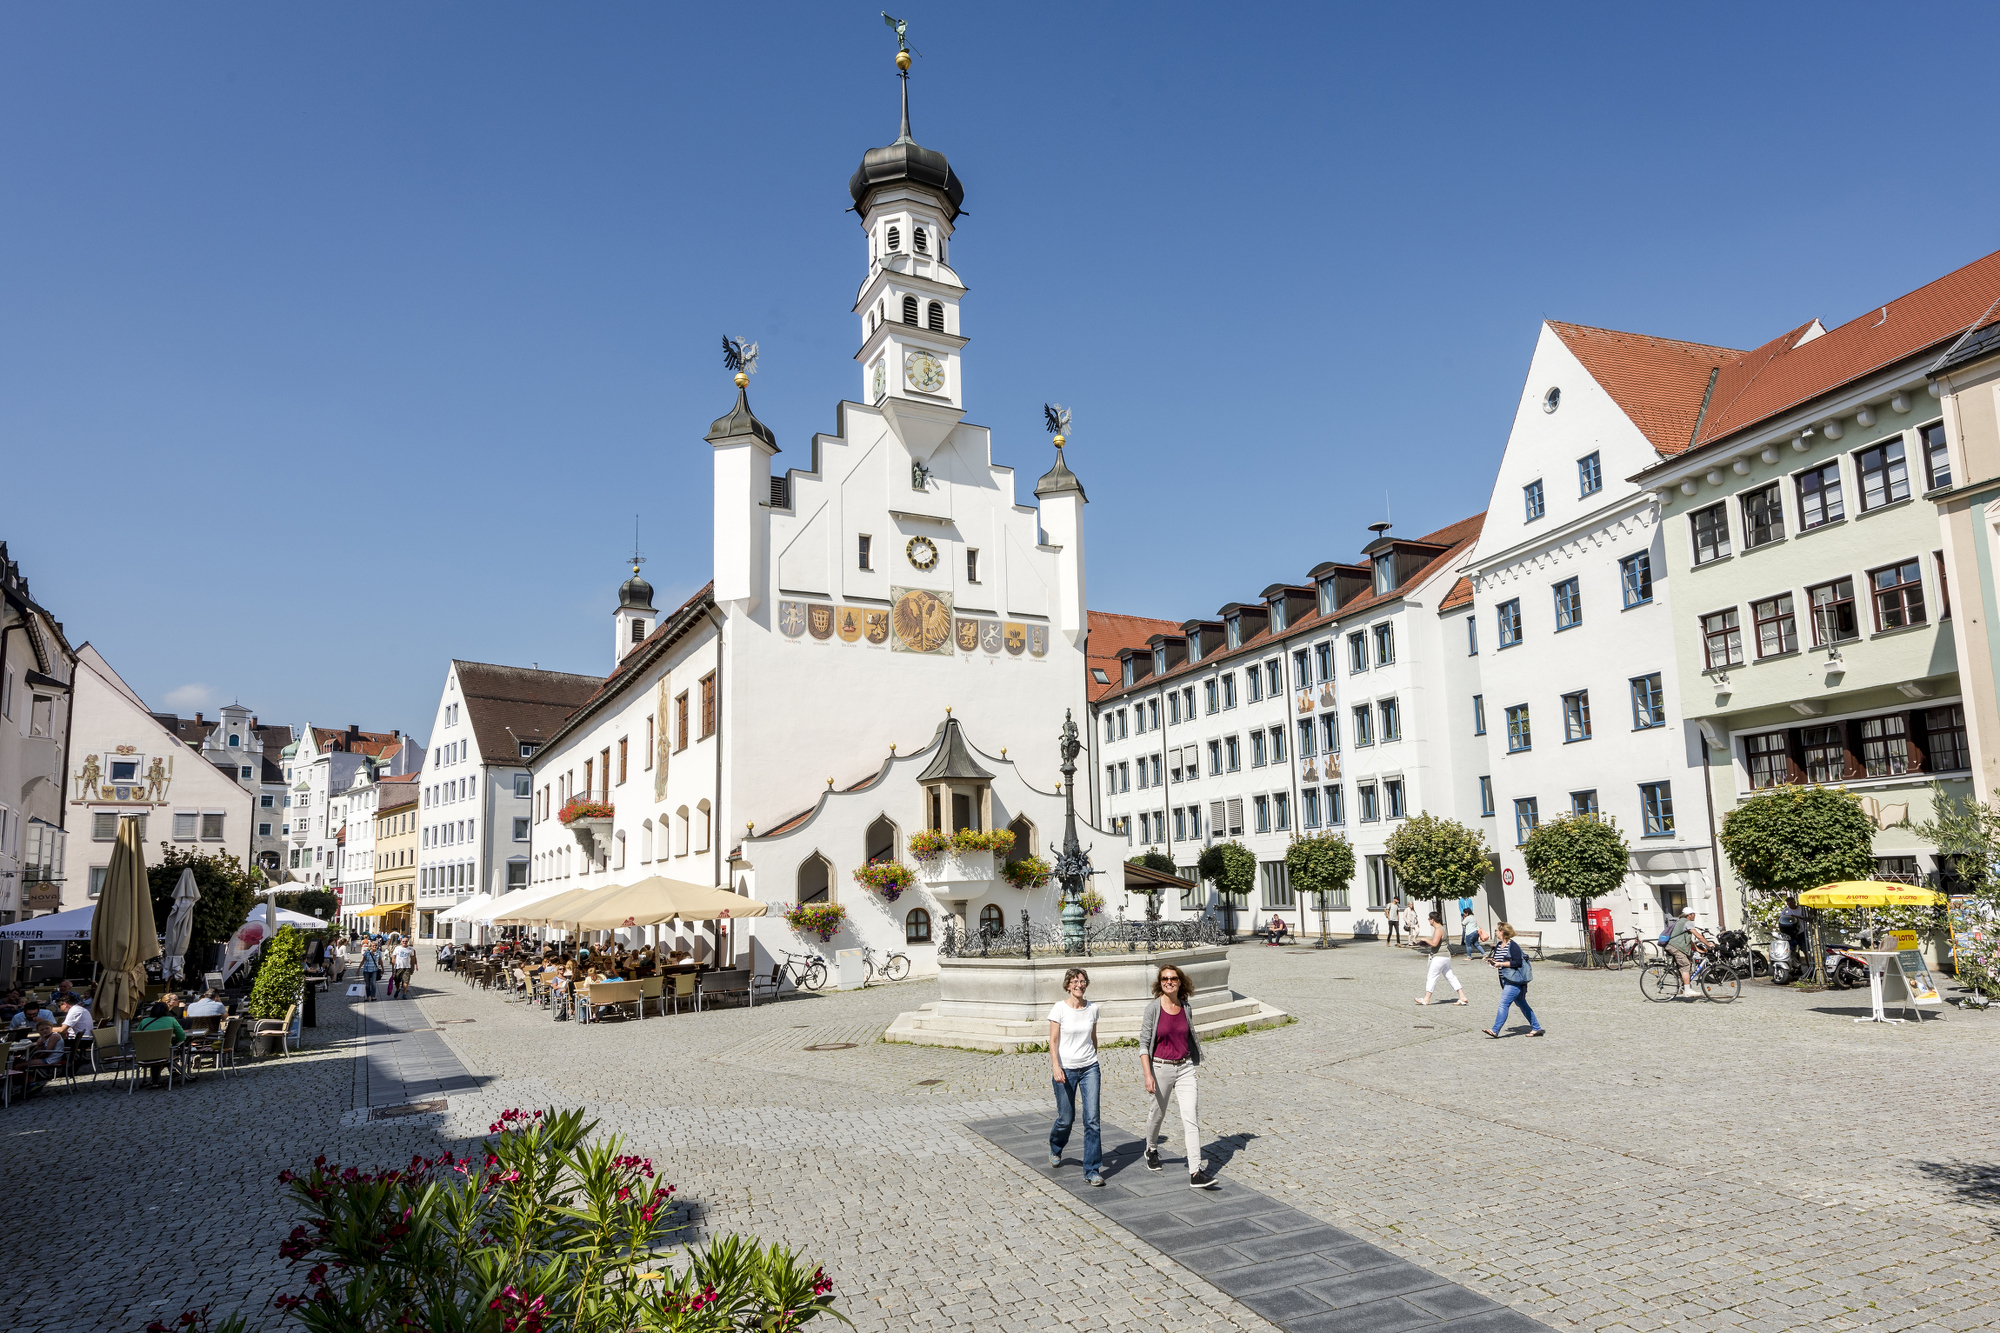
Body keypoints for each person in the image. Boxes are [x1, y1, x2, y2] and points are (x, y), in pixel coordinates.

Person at [1139, 964, 1218, 1189]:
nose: (1169, 982)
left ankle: (1196, 1172)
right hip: (1160, 1067)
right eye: (1164, 979)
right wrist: (1148, 1074)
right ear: (1160, 982)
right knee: (1158, 1113)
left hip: (1184, 1068)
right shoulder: (1153, 1009)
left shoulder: (1186, 1007)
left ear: (1180, 981)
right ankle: (1151, 1148)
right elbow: (1144, 1044)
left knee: (1190, 1118)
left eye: (1173, 978)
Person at [1047, 967, 1104, 1186]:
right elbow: (1053, 1041)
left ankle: (1092, 1169)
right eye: (1075, 981)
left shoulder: (1093, 1009)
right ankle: (1056, 1146)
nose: (1079, 985)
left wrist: (1092, 1060)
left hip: (1090, 1067)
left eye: (1082, 981)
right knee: (1066, 1118)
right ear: (1068, 985)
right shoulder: (1059, 1009)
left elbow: (1093, 1037)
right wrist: (1056, 1066)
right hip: (1065, 1069)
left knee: (1092, 1120)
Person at [1482, 923, 1544, 1037]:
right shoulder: (1499, 945)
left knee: (1503, 1004)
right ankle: (1536, 1027)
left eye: (1496, 930)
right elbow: (1497, 960)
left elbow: (1517, 962)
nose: (1495, 932)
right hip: (1505, 980)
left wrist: (1500, 963)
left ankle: (1495, 1030)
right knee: (1522, 1003)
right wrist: (1491, 961)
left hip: (1514, 981)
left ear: (1502, 932)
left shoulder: (1513, 946)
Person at [1415, 911, 1468, 1006]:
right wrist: (1427, 943)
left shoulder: (1438, 930)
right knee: (1450, 976)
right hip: (1445, 956)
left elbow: (1434, 943)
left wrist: (1425, 939)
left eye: (1429, 919)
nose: (1429, 921)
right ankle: (1462, 996)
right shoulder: (1442, 928)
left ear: (1432, 920)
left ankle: (1426, 999)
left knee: (1432, 976)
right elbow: (1436, 943)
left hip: (1439, 956)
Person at [136, 1001, 188, 1086]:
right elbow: (182, 1037)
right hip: (164, 1054)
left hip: (145, 1055)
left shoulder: (144, 1021)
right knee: (167, 1050)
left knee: (157, 1050)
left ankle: (156, 1080)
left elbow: (137, 1039)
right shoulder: (170, 1020)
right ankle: (173, 1070)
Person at [1667, 906, 1700, 991]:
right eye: (1693, 914)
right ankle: (1687, 990)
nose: (1694, 915)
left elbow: (1688, 939)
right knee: (1685, 965)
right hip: (1675, 946)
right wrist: (1708, 944)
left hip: (1674, 946)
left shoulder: (1681, 921)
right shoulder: (1687, 922)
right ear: (1689, 915)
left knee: (1687, 962)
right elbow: (1698, 936)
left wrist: (1696, 948)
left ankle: (1683, 987)